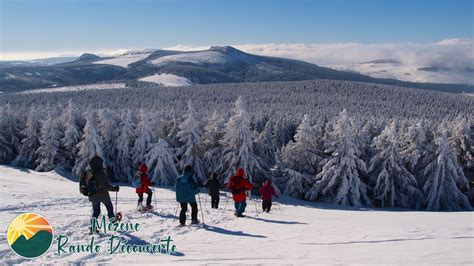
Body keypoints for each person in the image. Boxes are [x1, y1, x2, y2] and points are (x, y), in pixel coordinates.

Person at [87, 156, 119, 225]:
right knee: (110, 208)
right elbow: (105, 186)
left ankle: (93, 227)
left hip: (92, 195)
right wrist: (114, 188)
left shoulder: (89, 173)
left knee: (96, 211)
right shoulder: (100, 173)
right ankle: (113, 223)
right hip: (103, 195)